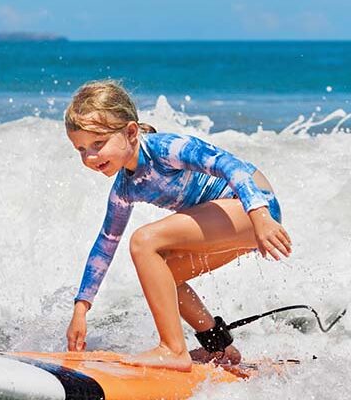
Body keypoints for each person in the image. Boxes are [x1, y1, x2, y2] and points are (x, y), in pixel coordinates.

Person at [64, 80, 292, 372]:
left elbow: (229, 164)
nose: (90, 157)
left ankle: (172, 349)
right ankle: (218, 347)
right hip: (231, 220)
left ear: (131, 132)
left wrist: (259, 215)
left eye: (98, 144)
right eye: (81, 149)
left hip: (252, 207)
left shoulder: (165, 149)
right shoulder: (125, 188)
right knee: (165, 273)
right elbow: (105, 244)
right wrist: (81, 309)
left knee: (144, 241)